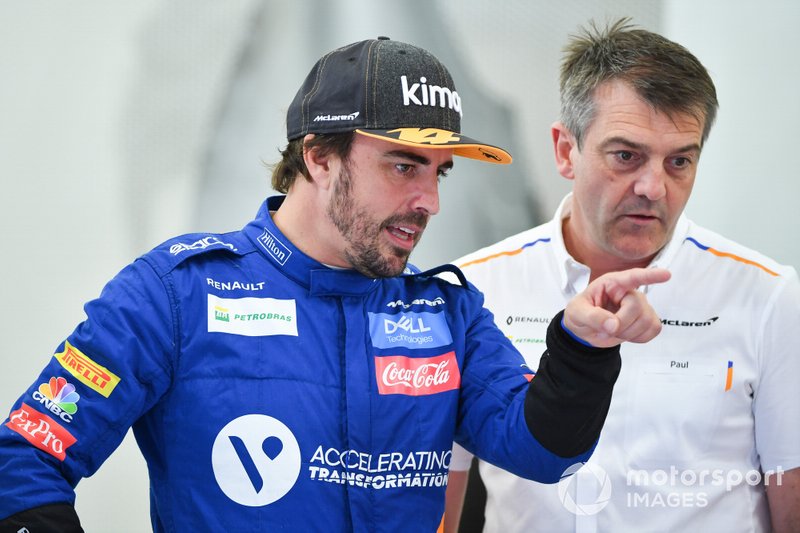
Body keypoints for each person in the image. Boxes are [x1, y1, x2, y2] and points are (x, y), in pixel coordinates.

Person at [0, 37, 669, 532]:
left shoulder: (448, 313)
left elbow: (542, 451)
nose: (429, 201)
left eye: (441, 172)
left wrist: (582, 348)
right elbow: (26, 457)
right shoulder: (174, 294)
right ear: (319, 156)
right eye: (405, 165)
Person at [444, 18, 800, 533]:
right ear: (566, 150)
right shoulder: (474, 289)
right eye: (627, 156)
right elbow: (438, 504)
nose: (653, 187)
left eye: (679, 161)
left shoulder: (767, 297)